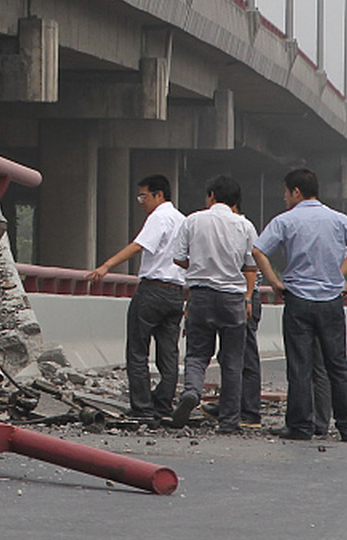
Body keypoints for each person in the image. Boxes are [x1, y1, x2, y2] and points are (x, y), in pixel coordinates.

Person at [251, 167, 347, 442]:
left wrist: (274, 282)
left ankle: (301, 426)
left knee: (300, 365)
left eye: (286, 192)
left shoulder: (285, 220)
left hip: (298, 300)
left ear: (296, 192)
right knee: (337, 364)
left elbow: (258, 250)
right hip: (330, 300)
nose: (284, 198)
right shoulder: (338, 220)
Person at [86, 174, 186, 424]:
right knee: (169, 353)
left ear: (159, 195)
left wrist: (107, 265)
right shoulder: (183, 221)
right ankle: (163, 405)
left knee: (138, 350)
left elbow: (138, 245)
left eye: (144, 195)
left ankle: (142, 407)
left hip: (152, 291)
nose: (141, 201)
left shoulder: (159, 217)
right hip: (176, 293)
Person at [171, 175, 259, 434]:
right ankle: (229, 421)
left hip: (200, 295)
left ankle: (192, 392)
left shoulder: (193, 220)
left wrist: (199, 264)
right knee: (232, 361)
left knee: (197, 354)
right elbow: (250, 265)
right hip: (233, 298)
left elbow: (179, 259)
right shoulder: (245, 225)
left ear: (211, 196)